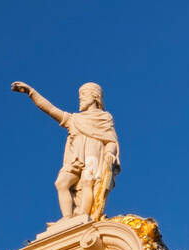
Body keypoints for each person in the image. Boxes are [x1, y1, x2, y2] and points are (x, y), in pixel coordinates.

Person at [11, 81, 120, 221]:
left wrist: (109, 153)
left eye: (83, 95)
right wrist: (31, 92)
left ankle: (83, 215)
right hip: (76, 157)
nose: (80, 98)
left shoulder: (104, 118)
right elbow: (50, 109)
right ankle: (67, 217)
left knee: (88, 182)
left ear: (95, 96)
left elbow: (110, 140)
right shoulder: (73, 119)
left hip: (93, 153)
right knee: (62, 183)